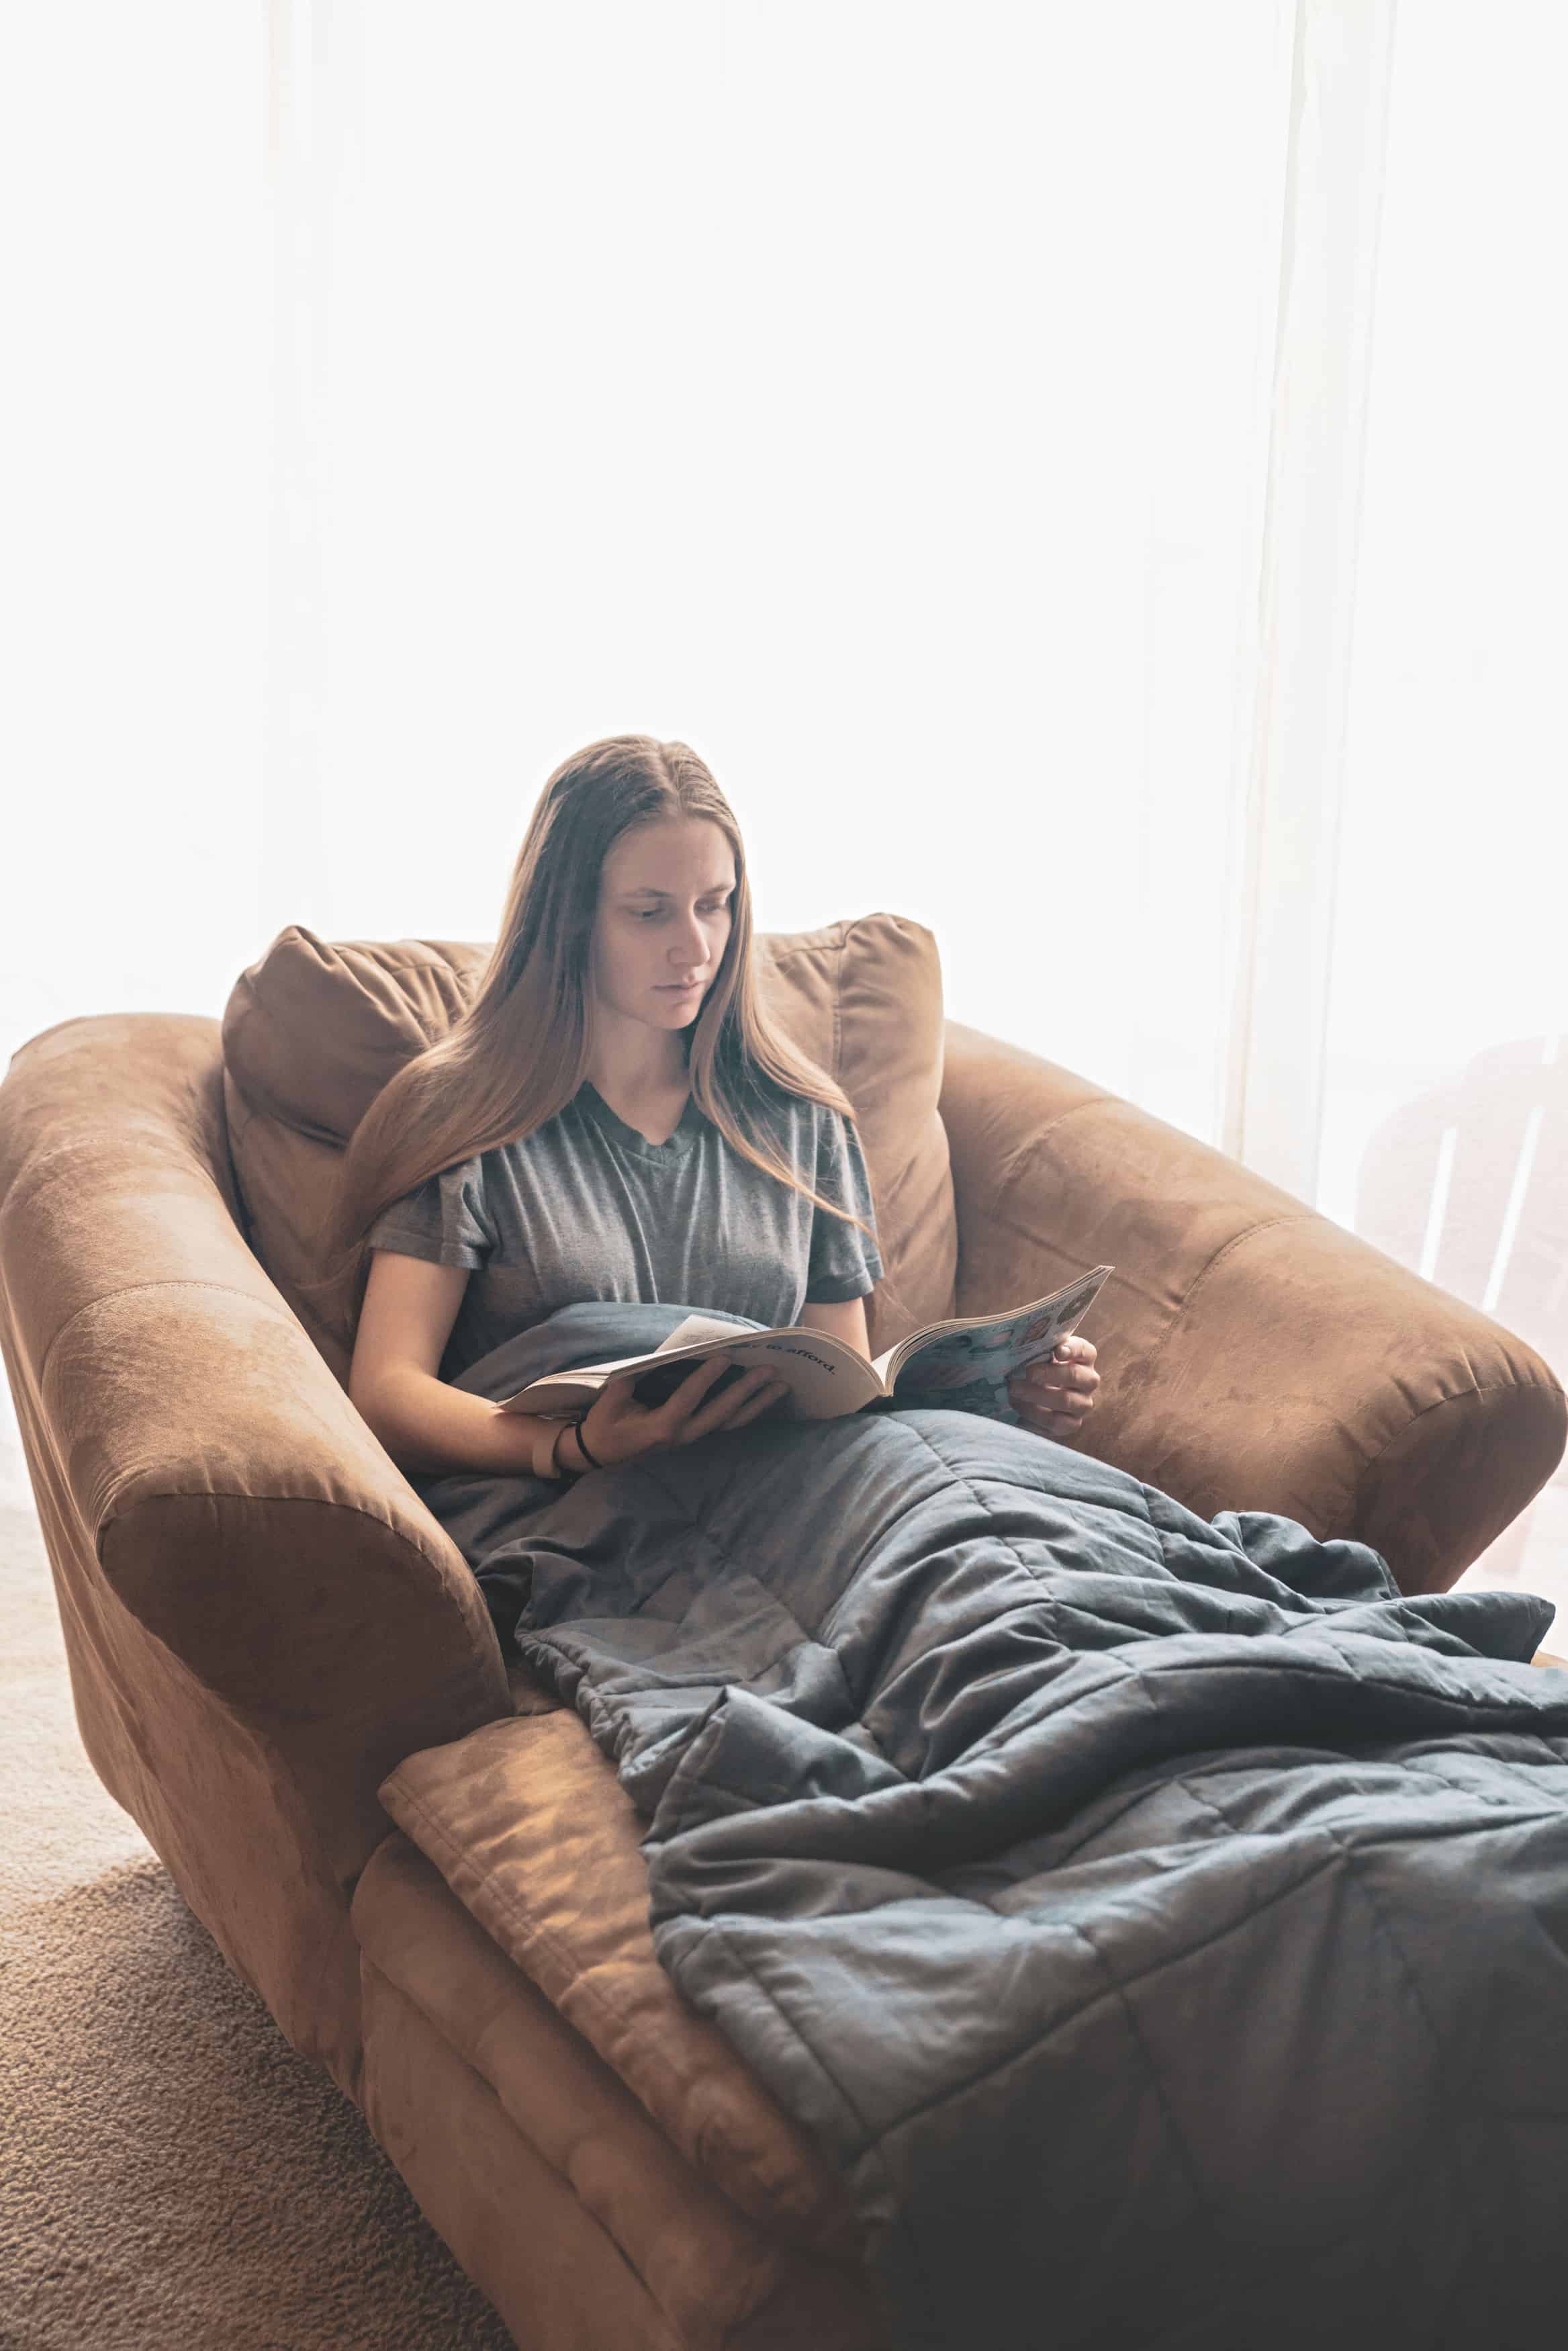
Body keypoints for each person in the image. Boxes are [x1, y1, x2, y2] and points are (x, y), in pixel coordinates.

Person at [329, 734, 1100, 1498]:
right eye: (649, 912)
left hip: (789, 1501)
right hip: (580, 1511)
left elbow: (843, 1400)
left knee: (1028, 1545)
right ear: (568, 920)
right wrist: (573, 1447)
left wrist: (1001, 1395)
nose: (694, 946)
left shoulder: (800, 1119)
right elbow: (388, 1389)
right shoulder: (464, 1116)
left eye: (715, 905)